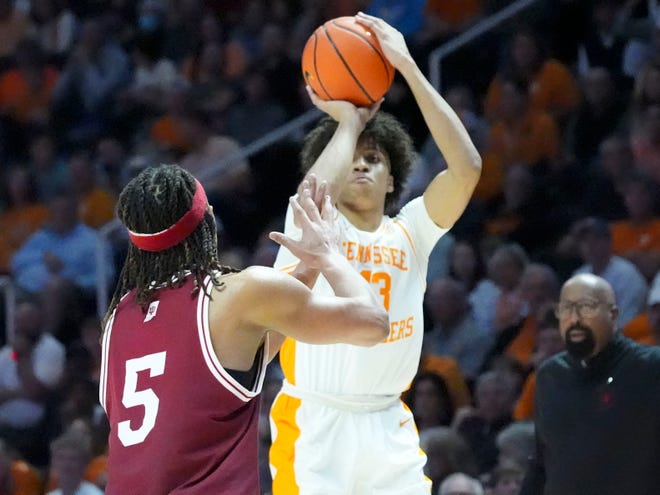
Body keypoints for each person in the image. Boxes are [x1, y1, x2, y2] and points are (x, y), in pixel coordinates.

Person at [268, 12, 482, 494]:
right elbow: (316, 188)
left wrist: (408, 67)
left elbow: (467, 167)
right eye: (355, 157)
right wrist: (348, 121)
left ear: (393, 180)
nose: (362, 163)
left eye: (376, 158)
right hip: (317, 421)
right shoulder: (315, 221)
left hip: (388, 421)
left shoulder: (412, 231)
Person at [99, 164, 389, 495]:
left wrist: (308, 267)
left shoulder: (118, 319)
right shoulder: (235, 293)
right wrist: (329, 256)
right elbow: (373, 323)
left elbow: (227, 370)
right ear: (208, 218)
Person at [520, 273, 660, 494]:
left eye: (586, 307)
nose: (574, 319)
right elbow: (541, 463)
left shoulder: (652, 367)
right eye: (566, 309)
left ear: (613, 315)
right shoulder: (550, 375)